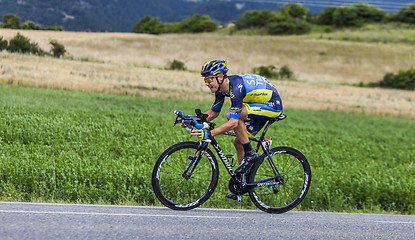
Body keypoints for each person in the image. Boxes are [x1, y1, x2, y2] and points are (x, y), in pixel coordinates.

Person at [188, 60, 283, 199]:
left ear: (220, 77)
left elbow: (233, 122)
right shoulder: (221, 89)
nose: (207, 83)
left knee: (232, 116)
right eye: (205, 80)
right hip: (257, 105)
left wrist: (210, 133)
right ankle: (244, 183)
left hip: (272, 105)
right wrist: (190, 120)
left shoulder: (236, 87)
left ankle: (251, 154)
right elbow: (213, 113)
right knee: (238, 143)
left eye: (209, 79)